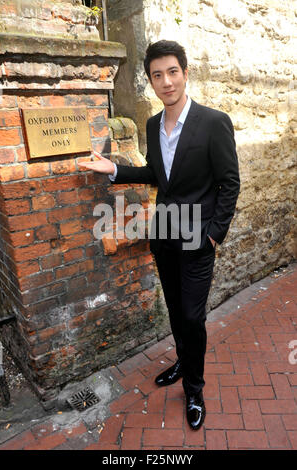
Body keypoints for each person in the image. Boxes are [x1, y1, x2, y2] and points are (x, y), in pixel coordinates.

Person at [78, 40, 240, 431]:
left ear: (185, 73)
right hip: (165, 232)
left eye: (172, 72)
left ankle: (195, 389)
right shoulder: (153, 124)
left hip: (198, 238)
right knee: (173, 308)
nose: (166, 81)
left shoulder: (213, 122)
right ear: (150, 81)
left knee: (191, 315)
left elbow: (229, 183)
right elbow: (156, 174)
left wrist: (214, 234)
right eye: (157, 75)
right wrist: (114, 169)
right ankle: (184, 362)